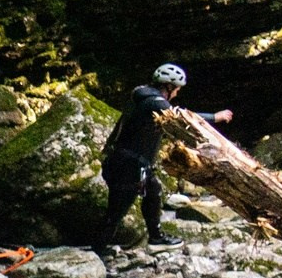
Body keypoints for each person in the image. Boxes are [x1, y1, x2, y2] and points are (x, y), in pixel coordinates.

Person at [99, 64, 232, 249]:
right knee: (118, 209)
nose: (177, 94)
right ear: (168, 87)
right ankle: (99, 249)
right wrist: (215, 117)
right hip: (128, 164)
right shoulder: (154, 102)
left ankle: (156, 236)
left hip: (137, 163)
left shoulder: (144, 96)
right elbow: (181, 118)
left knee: (152, 193)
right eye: (177, 89)